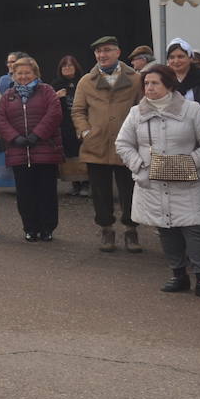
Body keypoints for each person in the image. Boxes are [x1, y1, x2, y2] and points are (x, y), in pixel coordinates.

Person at [115, 64, 200, 300]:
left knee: (195, 230)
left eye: (155, 83)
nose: (149, 87)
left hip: (189, 182)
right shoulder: (137, 113)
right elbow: (123, 144)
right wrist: (139, 166)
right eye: (146, 83)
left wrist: (190, 163)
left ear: (169, 84)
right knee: (166, 229)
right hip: (153, 183)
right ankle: (178, 275)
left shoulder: (192, 110)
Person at [71, 36, 142, 253]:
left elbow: (143, 107)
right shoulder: (86, 81)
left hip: (127, 145)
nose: (103, 55)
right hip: (97, 145)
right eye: (99, 52)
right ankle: (106, 229)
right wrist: (85, 131)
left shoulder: (136, 79)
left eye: (108, 50)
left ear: (118, 52)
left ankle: (131, 230)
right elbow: (78, 111)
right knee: (100, 192)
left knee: (129, 191)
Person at [0, 57, 63, 241]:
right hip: (19, 153)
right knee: (25, 194)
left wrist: (37, 135)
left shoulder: (47, 91)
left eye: (27, 72)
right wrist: (14, 137)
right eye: (19, 73)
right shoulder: (7, 96)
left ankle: (47, 228)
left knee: (46, 192)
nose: (23, 76)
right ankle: (30, 228)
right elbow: (0, 119)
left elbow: (54, 113)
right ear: (13, 75)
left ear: (35, 73)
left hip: (45, 151)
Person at [51, 54, 87, 197]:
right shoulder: (55, 84)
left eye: (70, 65)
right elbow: (49, 105)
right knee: (69, 154)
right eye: (64, 66)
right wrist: (56, 97)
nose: (67, 68)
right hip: (65, 125)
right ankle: (75, 184)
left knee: (83, 153)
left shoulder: (84, 82)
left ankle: (86, 183)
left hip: (82, 123)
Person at [164, 38, 200, 115]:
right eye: (172, 57)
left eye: (180, 57)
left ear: (190, 58)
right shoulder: (163, 79)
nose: (176, 61)